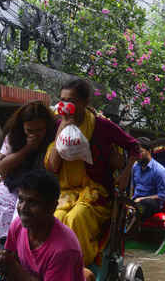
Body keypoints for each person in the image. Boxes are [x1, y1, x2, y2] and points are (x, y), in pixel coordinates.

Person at [45, 78, 141, 266]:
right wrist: (62, 130)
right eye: (62, 100)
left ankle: (78, 265)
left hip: (97, 192)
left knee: (75, 218)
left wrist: (126, 173)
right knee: (55, 218)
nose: (65, 105)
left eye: (71, 101)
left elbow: (134, 146)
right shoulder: (58, 125)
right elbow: (52, 167)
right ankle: (54, 264)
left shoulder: (102, 126)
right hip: (65, 192)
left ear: (84, 103)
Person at [0, 101, 57, 244]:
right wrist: (27, 149)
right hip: (15, 183)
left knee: (24, 211)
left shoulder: (56, 135)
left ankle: (20, 246)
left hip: (41, 188)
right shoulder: (14, 136)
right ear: (22, 127)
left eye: (39, 130)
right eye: (30, 131)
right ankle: (4, 242)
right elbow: (2, 167)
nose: (35, 134)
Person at [130, 138, 165, 221]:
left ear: (149, 151)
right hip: (136, 201)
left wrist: (141, 199)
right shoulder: (135, 166)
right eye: (136, 153)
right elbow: (133, 187)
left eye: (140, 152)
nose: (137, 155)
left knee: (145, 204)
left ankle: (134, 221)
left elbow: (162, 195)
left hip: (151, 204)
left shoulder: (159, 170)